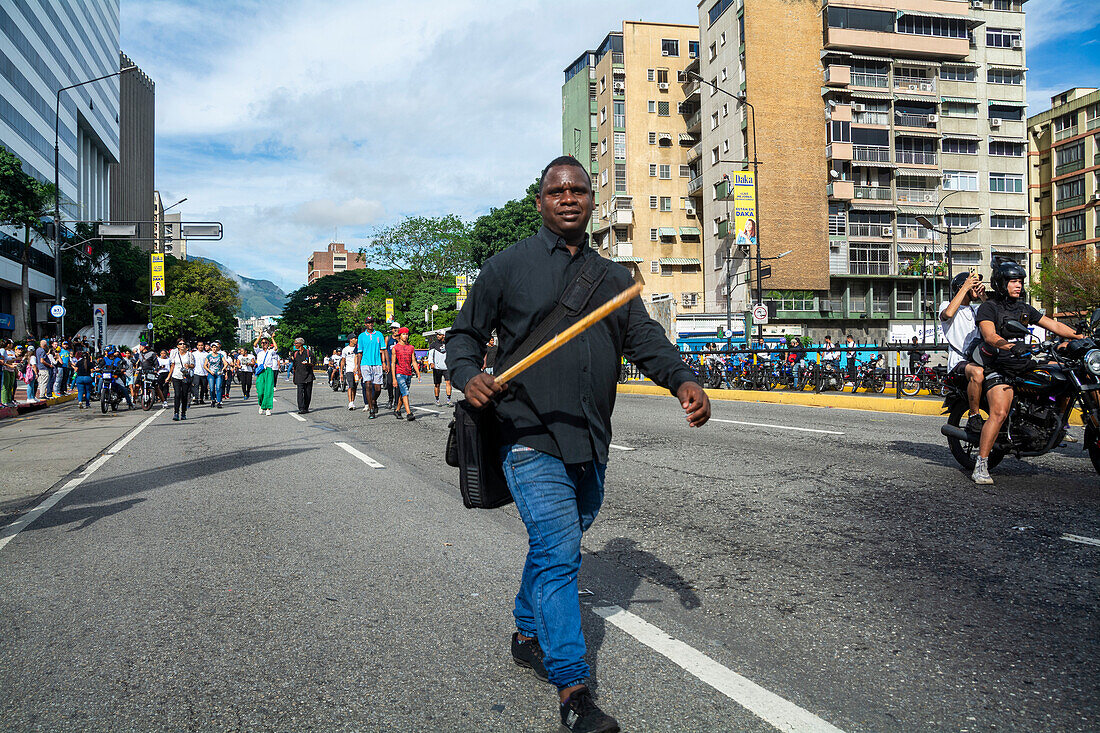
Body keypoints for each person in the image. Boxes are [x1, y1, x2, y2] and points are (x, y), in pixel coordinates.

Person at [447, 155, 710, 732]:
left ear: (591, 201)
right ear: (540, 201)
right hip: (528, 434)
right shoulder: (507, 267)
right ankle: (573, 690)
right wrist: (468, 374)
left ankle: (525, 628)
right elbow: (465, 334)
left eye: (579, 190)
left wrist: (683, 380)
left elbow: (645, 339)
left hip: (591, 437)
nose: (569, 198)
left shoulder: (614, 280)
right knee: (562, 550)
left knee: (557, 542)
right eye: (556, 190)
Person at [971, 260, 1082, 485]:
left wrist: (1080, 337)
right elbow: (990, 336)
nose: (1018, 285)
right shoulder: (989, 307)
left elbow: (1053, 325)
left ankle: (1057, 426)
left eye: (1020, 281)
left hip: (1024, 364)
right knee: (999, 413)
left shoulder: (1024, 308)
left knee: (1068, 378)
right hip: (999, 366)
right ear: (1001, 284)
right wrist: (1011, 346)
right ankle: (981, 463)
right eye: (1013, 281)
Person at [939, 272, 986, 434]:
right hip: (960, 362)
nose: (977, 286)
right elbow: (948, 314)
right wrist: (966, 286)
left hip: (980, 358)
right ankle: (974, 416)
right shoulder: (947, 304)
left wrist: (983, 296)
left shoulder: (977, 309)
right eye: (975, 284)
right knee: (977, 372)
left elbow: (996, 316)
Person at [356, 317, 388, 418]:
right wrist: (358, 367)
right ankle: (371, 409)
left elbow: (383, 350)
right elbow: (359, 353)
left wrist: (384, 363)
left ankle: (373, 401)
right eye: (368, 322)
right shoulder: (361, 336)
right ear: (365, 324)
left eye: (371, 322)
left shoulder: (379, 334)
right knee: (368, 385)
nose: (370, 324)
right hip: (365, 364)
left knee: (378, 388)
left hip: (377, 363)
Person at [391, 327, 420, 420]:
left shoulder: (411, 347)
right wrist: (394, 378)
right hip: (399, 373)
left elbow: (414, 361)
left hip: (408, 373)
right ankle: (409, 413)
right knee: (405, 392)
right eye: (403, 334)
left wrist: (418, 373)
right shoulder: (395, 348)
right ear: (399, 336)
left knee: (403, 393)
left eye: (407, 334)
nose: (405, 336)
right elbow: (393, 363)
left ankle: (397, 410)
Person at [165, 339, 195, 421]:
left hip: (185, 376)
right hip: (176, 376)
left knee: (184, 395)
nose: (182, 345)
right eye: (180, 344)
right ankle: (176, 413)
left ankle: (183, 413)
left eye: (183, 344)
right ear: (177, 346)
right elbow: (172, 365)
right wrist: (169, 376)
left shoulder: (189, 355)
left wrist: (188, 365)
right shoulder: (175, 354)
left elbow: (193, 365)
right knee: (177, 394)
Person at [253, 335, 279, 416]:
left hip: (269, 370)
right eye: (262, 342)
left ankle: (268, 408)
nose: (264, 344)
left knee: (268, 390)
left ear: (268, 344)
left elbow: (275, 347)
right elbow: (254, 344)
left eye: (266, 342)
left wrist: (272, 338)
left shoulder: (270, 351)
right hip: (261, 371)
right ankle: (261, 405)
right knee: (260, 391)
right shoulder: (258, 351)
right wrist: (260, 335)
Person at [291, 337, 316, 414]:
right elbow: (294, 366)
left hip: (308, 376)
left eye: (296, 343)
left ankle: (306, 408)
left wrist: (308, 364)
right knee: (299, 392)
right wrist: (294, 377)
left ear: (300, 344)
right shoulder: (295, 354)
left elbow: (313, 363)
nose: (294, 345)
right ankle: (301, 408)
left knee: (307, 393)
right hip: (299, 376)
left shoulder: (309, 353)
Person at [427, 333, 452, 406]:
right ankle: (437, 400)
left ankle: (448, 400)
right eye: (437, 335)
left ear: (443, 335)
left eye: (440, 335)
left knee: (448, 383)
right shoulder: (433, 345)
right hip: (437, 368)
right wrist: (431, 363)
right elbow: (430, 355)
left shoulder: (448, 344)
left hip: (446, 367)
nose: (438, 336)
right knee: (437, 384)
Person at [205, 341, 227, 408]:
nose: (214, 349)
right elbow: (204, 365)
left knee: (218, 387)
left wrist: (222, 370)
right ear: (211, 348)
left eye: (215, 347)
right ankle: (212, 399)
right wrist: (209, 371)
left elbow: (225, 363)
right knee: (211, 388)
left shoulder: (220, 355)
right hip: (211, 374)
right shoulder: (209, 356)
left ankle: (219, 401)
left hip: (218, 374)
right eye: (213, 347)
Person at [340, 335, 359, 409]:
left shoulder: (358, 348)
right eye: (354, 338)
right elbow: (343, 361)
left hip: (357, 370)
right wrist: (341, 372)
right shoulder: (345, 349)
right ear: (350, 340)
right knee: (350, 386)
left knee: (354, 386)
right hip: (349, 370)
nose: (356, 339)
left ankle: (352, 402)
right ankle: (350, 402)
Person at [385, 322, 401, 409]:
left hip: (399, 365)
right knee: (389, 382)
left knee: (397, 384)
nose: (393, 330)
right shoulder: (388, 338)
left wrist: (398, 338)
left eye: (395, 328)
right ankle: (390, 399)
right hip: (390, 364)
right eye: (392, 328)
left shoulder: (401, 338)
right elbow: (384, 351)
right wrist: (384, 363)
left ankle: (396, 402)